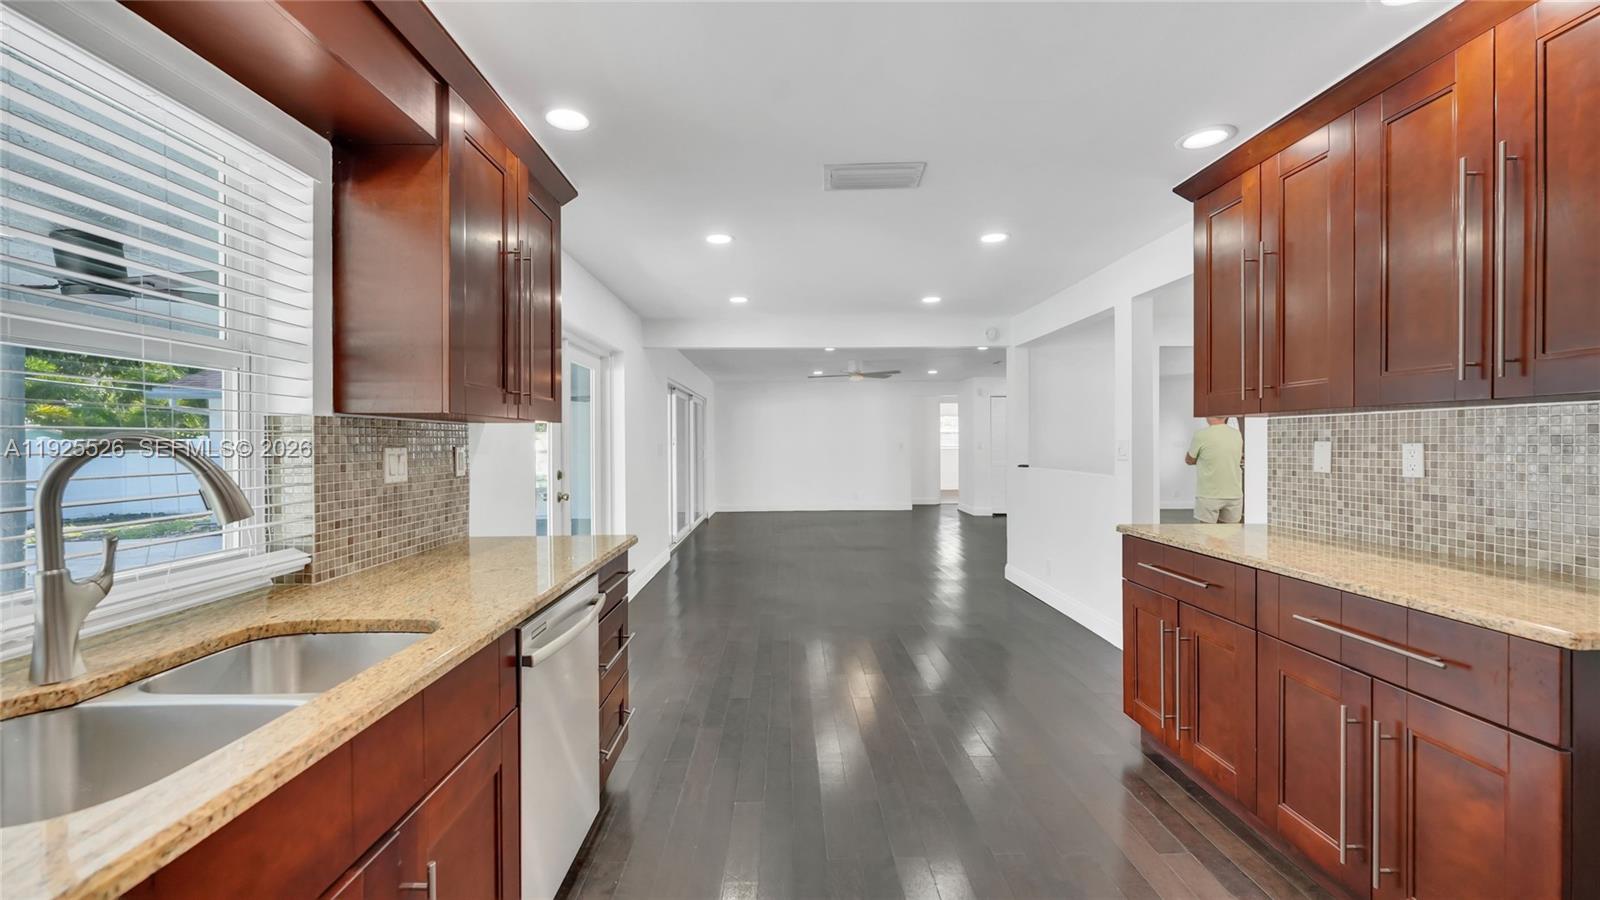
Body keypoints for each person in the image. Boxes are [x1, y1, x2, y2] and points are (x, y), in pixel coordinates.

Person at [1186, 416, 1244, 523]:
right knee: (1231, 536)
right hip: (1234, 494)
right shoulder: (1237, 434)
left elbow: (1189, 460)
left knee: (1207, 535)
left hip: (1209, 495)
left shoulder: (1201, 435)